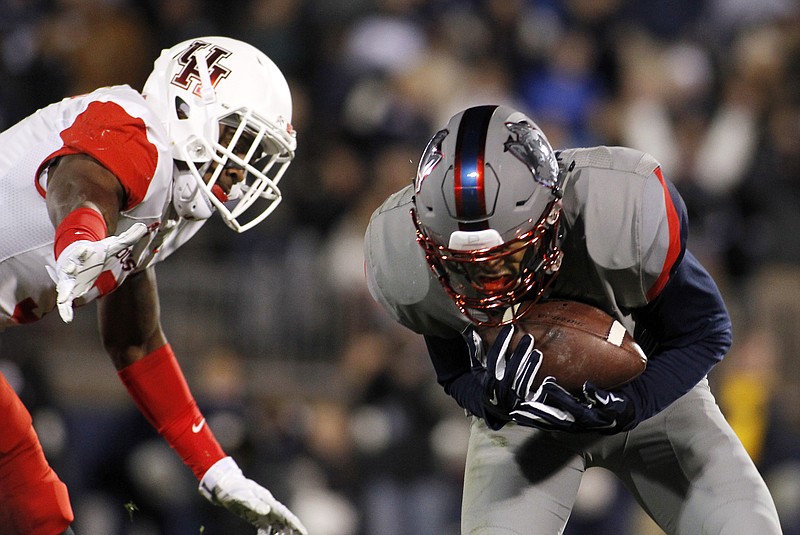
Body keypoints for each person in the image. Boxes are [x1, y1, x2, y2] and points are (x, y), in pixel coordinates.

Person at [364, 104, 782, 534]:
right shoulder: (405, 259)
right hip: (526, 418)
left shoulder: (621, 208)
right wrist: (492, 398)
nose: (487, 282)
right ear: (428, 243)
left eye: (507, 257)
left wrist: (633, 402)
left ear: (552, 215)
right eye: (463, 265)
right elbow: (454, 373)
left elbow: (708, 331)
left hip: (654, 391)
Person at [0, 36, 306, 535]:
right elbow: (78, 178)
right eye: (239, 136)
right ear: (190, 107)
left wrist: (215, 466)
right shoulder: (134, 129)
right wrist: (79, 237)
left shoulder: (165, 198)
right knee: (35, 507)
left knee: (40, 514)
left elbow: (135, 341)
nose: (241, 165)